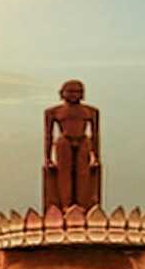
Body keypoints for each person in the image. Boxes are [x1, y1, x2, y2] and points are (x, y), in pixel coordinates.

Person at [42, 79, 101, 210]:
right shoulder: (53, 112)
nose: (74, 95)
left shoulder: (91, 111)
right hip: (64, 142)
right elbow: (48, 135)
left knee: (83, 174)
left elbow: (95, 135)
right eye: (70, 92)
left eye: (77, 92)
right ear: (62, 93)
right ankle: (65, 204)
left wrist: (96, 156)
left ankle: (83, 205)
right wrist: (47, 157)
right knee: (64, 174)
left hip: (83, 141)